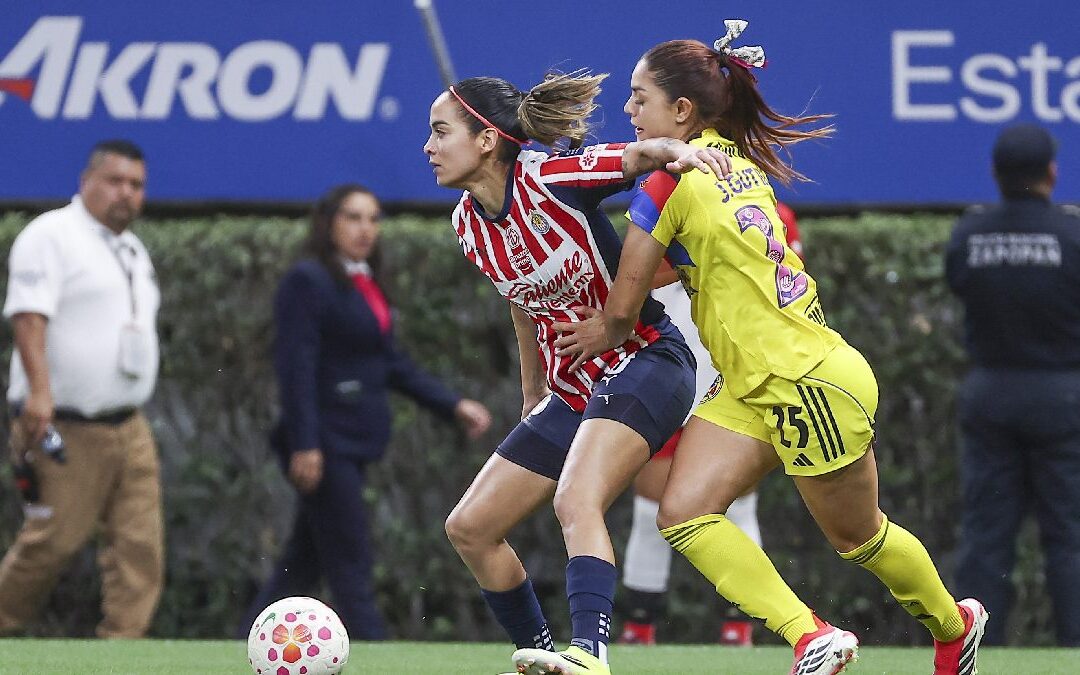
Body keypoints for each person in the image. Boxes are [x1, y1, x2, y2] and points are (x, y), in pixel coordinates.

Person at [551, 22, 987, 675]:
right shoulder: (731, 159)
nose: (628, 111)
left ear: (681, 111)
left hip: (804, 382)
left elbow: (624, 302)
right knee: (684, 511)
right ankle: (811, 635)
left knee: (858, 537)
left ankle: (955, 627)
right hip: (761, 382)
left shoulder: (668, 184)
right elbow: (682, 264)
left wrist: (593, 320)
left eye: (639, 98)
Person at [423, 71, 733, 675]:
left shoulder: (549, 177)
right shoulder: (467, 222)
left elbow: (638, 156)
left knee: (575, 499)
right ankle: (542, 655)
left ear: (487, 140)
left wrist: (680, 152)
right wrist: (533, 389)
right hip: (574, 391)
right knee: (471, 528)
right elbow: (520, 297)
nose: (428, 147)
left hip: (650, 361)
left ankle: (590, 655)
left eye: (440, 132)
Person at [241, 184, 493, 640]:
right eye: (353, 218)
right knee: (350, 558)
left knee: (303, 560)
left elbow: (389, 363)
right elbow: (296, 368)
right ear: (329, 223)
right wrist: (305, 445)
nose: (365, 229)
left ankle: (246, 642)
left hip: (354, 442)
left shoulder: (363, 279)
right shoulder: (308, 280)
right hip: (326, 444)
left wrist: (452, 405)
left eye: (373, 219)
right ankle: (376, 650)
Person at [618, 203, 802, 648]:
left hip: (734, 372)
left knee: (738, 507)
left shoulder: (774, 211)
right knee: (650, 508)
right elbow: (636, 283)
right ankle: (639, 630)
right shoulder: (659, 199)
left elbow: (786, 295)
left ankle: (740, 629)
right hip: (666, 365)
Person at [0, 139, 164, 638]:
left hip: (128, 423)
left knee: (141, 546)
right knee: (53, 543)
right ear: (86, 180)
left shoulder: (130, 247)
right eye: (114, 181)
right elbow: (29, 318)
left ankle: (122, 651)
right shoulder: (52, 235)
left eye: (136, 185)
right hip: (65, 423)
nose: (126, 194)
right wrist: (39, 395)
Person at [946, 123, 1080, 647]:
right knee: (1069, 534)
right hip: (1063, 396)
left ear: (995, 174)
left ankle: (976, 650)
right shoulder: (1072, 235)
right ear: (1052, 172)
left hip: (991, 394)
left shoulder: (970, 235)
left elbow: (960, 285)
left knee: (985, 536)